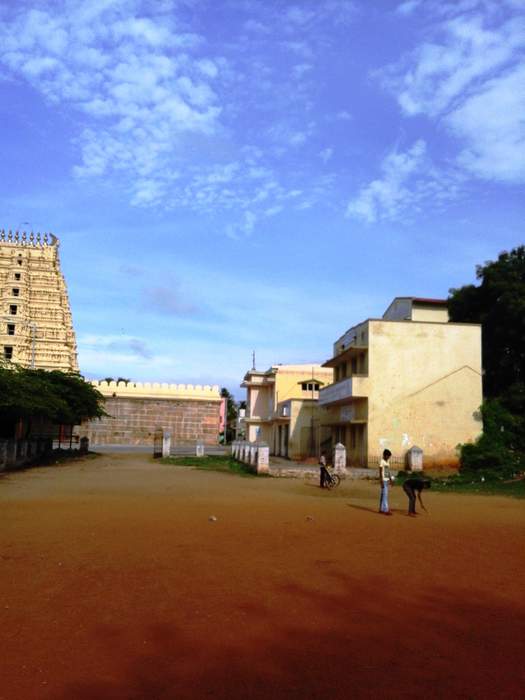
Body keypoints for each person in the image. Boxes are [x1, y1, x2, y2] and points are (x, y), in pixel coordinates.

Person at [378, 449, 394, 515]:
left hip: (386, 480)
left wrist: (390, 479)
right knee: (385, 495)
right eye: (388, 456)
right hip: (383, 480)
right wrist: (381, 481)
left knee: (383, 495)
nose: (389, 457)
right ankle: (386, 510)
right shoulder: (381, 462)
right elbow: (380, 471)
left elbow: (387, 471)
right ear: (385, 455)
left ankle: (381, 509)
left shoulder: (387, 462)